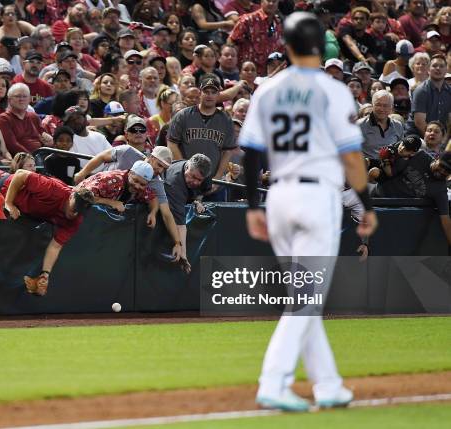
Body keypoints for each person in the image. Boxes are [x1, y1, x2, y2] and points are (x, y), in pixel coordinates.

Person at [240, 12, 377, 412]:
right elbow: (351, 157)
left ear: (286, 43)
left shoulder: (268, 87)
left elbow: (250, 151)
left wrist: (251, 206)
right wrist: (367, 204)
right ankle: (274, 381)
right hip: (318, 198)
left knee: (307, 296)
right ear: (323, 46)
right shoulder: (334, 91)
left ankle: (329, 384)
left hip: (278, 197)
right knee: (304, 299)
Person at [1, 169, 96, 296]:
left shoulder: (75, 220)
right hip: (7, 189)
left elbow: (55, 246)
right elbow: (20, 174)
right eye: (75, 208)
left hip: (29, 210)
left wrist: (45, 274)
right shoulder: (53, 190)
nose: (76, 213)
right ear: (72, 196)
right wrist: (9, 203)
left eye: (80, 212)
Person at [167, 74, 235, 200]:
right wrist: (183, 169)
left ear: (218, 95)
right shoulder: (183, 115)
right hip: (185, 182)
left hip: (212, 183)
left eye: (213, 92)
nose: (209, 95)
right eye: (206, 91)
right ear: (200, 93)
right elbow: (172, 143)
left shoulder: (225, 119)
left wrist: (218, 177)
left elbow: (228, 150)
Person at [405, 55, 451, 137]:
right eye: (434, 66)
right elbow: (419, 122)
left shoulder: (449, 91)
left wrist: (444, 140)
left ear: (446, 70)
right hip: (418, 136)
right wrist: (436, 142)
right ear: (428, 70)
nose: (438, 68)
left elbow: (450, 120)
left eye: (441, 66)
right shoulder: (421, 90)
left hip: (440, 137)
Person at [0, 83, 47, 155]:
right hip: (20, 160)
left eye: (25, 96)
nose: (21, 99)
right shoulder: (3, 119)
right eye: (18, 96)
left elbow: (44, 137)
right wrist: (31, 158)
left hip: (40, 156)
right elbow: (12, 145)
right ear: (9, 100)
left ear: (29, 99)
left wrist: (49, 141)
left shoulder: (34, 117)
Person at [358, 90, 404, 161]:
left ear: (391, 107)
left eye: (385, 106)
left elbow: (401, 151)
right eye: (378, 105)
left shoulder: (398, 125)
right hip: (367, 168)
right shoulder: (359, 125)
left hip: (392, 167)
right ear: (372, 105)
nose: (381, 109)